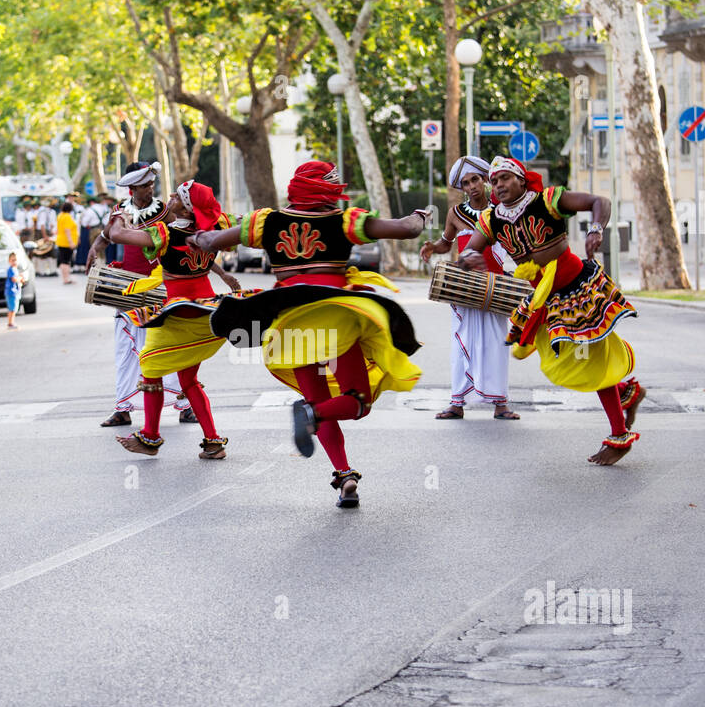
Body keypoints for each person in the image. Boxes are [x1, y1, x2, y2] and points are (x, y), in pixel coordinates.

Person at [194, 161, 429, 506]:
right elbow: (407, 230)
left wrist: (197, 237)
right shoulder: (345, 221)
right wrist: (423, 216)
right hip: (333, 319)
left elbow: (213, 240)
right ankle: (313, 418)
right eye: (334, 184)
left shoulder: (264, 221)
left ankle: (345, 476)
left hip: (288, 321)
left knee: (319, 400)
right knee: (355, 402)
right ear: (324, 188)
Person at [463, 156, 644, 466]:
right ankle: (626, 390)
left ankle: (619, 435)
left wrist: (595, 229)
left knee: (592, 355)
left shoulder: (548, 200)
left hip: (576, 288)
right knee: (559, 362)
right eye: (494, 181)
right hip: (543, 297)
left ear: (521, 179)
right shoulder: (492, 219)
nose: (499, 185)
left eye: (505, 177)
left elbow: (599, 201)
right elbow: (472, 247)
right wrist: (469, 256)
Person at [105, 181, 243, 459]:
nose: (169, 197)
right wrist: (223, 274)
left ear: (186, 207)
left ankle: (151, 437)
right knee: (189, 379)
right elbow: (245, 225)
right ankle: (213, 442)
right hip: (206, 313)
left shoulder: (164, 233)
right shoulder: (216, 226)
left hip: (178, 313)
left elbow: (118, 235)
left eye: (177, 196)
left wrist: (119, 213)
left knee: (150, 365)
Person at [86, 161, 192, 426]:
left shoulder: (165, 211)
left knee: (169, 344)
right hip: (129, 288)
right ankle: (123, 408)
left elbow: (180, 238)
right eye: (145, 185)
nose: (150, 188)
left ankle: (184, 404)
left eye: (151, 184)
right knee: (125, 349)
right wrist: (95, 248)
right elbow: (106, 236)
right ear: (133, 187)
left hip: (159, 287)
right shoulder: (120, 211)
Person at [419, 155, 520, 419]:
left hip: (494, 286)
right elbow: (446, 243)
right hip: (463, 287)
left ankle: (501, 404)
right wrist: (433, 247)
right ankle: (457, 403)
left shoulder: (501, 210)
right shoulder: (455, 214)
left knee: (498, 343)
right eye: (466, 183)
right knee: (461, 341)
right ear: (461, 188)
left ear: (485, 180)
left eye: (475, 179)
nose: (472, 186)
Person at [55, 196, 79, 284]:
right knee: (66, 261)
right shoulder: (67, 217)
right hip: (66, 242)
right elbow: (67, 230)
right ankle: (66, 278)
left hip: (61, 240)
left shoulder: (60, 216)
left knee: (63, 260)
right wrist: (71, 242)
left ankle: (65, 278)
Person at [4, 251, 24, 329]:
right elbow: (14, 279)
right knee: (12, 308)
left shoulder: (15, 269)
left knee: (14, 308)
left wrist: (21, 279)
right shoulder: (11, 270)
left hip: (16, 292)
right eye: (12, 260)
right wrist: (20, 278)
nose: (14, 262)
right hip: (11, 292)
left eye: (15, 260)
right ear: (9, 261)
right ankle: (10, 323)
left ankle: (11, 322)